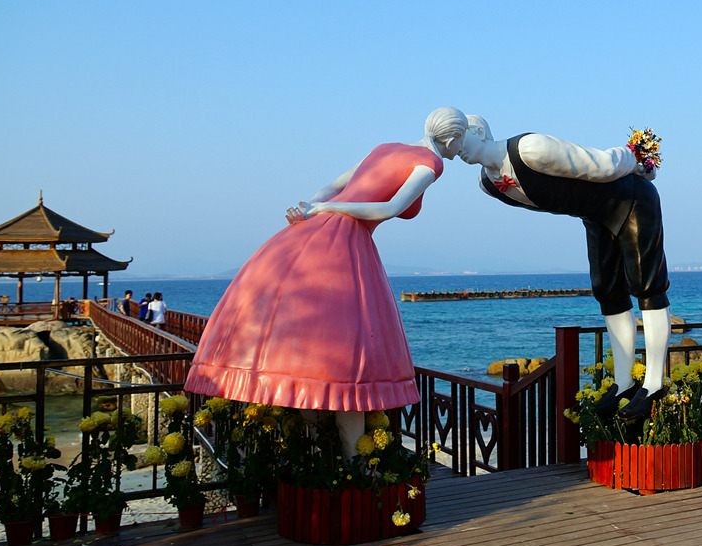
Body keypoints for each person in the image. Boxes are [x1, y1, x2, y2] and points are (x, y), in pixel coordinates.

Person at [185, 107, 468, 451]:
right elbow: (389, 208)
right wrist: (324, 208)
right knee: (349, 351)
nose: (460, 147)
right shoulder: (431, 164)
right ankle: (355, 467)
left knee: (312, 341)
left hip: (306, 235)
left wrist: (312, 206)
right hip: (344, 242)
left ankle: (314, 455)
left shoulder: (384, 148)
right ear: (452, 138)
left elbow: (335, 185)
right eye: (462, 138)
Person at [453, 113, 671, 422]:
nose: (455, 148)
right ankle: (624, 383)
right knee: (607, 293)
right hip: (595, 215)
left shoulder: (530, 149)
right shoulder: (488, 183)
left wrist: (634, 157)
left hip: (632, 199)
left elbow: (603, 164)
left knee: (647, 286)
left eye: (459, 137)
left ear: (478, 132)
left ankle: (653, 385)